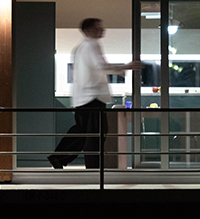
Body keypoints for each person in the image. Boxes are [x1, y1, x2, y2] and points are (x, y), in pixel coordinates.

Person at [48, 18, 142, 169]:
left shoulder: (80, 47)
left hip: (83, 98)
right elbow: (101, 66)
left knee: (83, 131)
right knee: (95, 134)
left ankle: (59, 157)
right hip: (92, 97)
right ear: (89, 30)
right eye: (98, 28)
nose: (102, 30)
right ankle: (91, 168)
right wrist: (126, 66)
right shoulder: (92, 45)